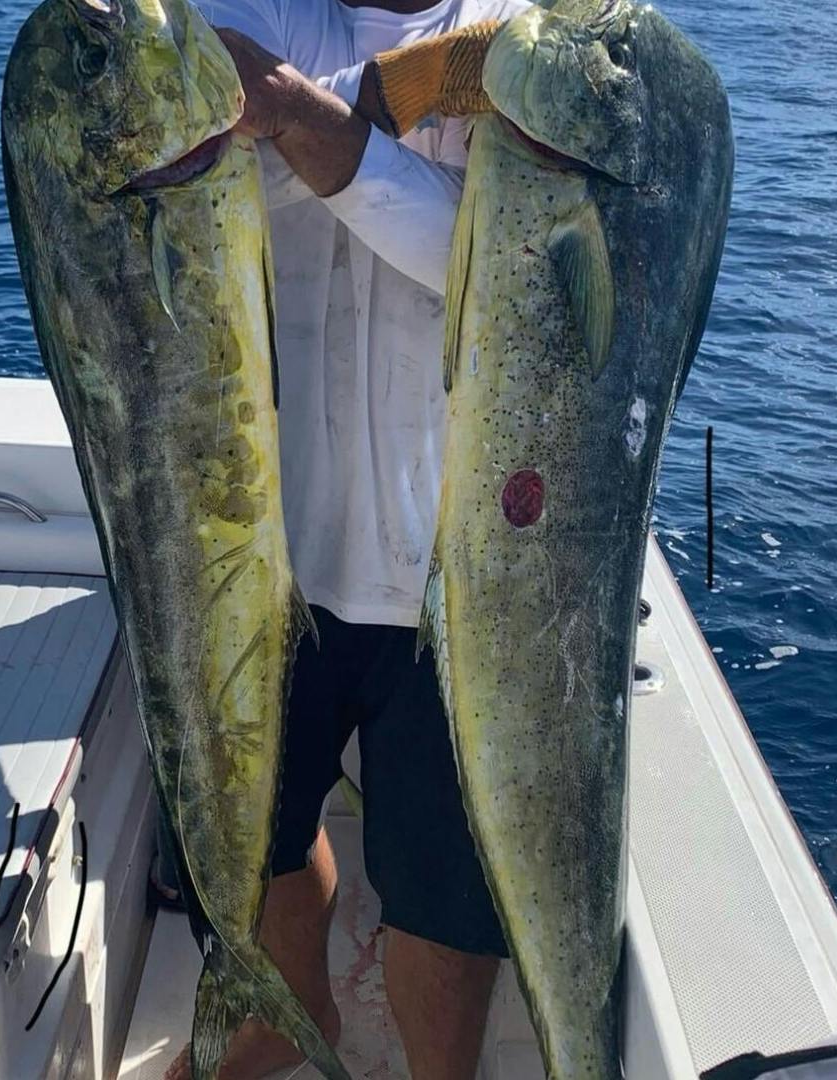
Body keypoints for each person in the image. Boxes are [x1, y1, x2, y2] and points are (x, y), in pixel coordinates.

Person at [160, 0, 527, 1077]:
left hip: (451, 578)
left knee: (445, 893)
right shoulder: (235, 15)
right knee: (252, 837)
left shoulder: (525, 41)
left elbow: (491, 268)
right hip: (261, 559)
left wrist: (295, 118)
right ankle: (283, 1017)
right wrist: (312, 126)